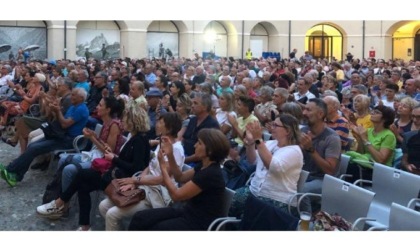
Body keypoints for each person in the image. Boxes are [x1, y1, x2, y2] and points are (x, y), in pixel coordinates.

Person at [36, 102, 151, 231]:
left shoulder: (140, 140)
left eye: (125, 118)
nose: (123, 121)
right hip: (115, 174)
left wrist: (114, 158)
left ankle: (61, 204)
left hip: (120, 181)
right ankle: (81, 223)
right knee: (82, 184)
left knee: (82, 175)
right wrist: (112, 155)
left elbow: (136, 167)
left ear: (132, 120)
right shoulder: (134, 137)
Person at [128, 128, 230, 231]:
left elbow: (176, 195)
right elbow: (180, 177)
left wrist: (163, 167)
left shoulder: (211, 173)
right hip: (187, 212)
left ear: (210, 150)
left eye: (199, 143)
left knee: (157, 228)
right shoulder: (204, 166)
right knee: (140, 218)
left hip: (199, 222)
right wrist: (170, 154)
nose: (195, 145)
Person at [99, 112, 184, 230]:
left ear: (169, 128)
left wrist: (136, 180)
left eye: (160, 122)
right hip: (145, 187)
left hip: (157, 194)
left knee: (112, 214)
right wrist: (135, 182)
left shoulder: (176, 149)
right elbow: (149, 166)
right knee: (103, 206)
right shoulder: (162, 142)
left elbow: (161, 179)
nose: (157, 124)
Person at [0, 88, 89, 187]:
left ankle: (10, 170)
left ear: (81, 98)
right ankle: (17, 175)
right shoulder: (74, 106)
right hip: (60, 134)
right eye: (71, 94)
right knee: (32, 146)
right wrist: (55, 109)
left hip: (69, 139)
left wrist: (58, 111)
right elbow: (60, 120)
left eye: (74, 95)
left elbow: (65, 124)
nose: (71, 97)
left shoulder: (81, 109)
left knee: (34, 148)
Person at [229, 114, 304, 218]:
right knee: (230, 204)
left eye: (276, 125)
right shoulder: (271, 143)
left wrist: (258, 140)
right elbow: (252, 160)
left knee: (248, 216)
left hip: (276, 198)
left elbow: (272, 166)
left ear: (288, 131)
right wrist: (250, 143)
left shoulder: (295, 151)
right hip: (254, 192)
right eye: (272, 124)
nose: (271, 128)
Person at [58, 96, 125, 192]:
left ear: (108, 110)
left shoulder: (114, 125)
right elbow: (103, 142)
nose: (97, 107)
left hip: (104, 162)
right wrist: (93, 135)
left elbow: (108, 151)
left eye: (100, 105)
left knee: (68, 169)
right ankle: (58, 193)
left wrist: (92, 138)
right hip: (96, 155)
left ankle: (64, 200)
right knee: (63, 159)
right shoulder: (106, 122)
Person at [349, 105, 396, 181]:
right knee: (346, 161)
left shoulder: (389, 135)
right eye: (373, 111)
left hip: (379, 171)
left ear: (385, 119)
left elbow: (381, 160)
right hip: (364, 164)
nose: (372, 113)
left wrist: (365, 139)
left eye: (377, 112)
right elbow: (361, 153)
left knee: (350, 168)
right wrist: (359, 137)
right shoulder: (368, 131)